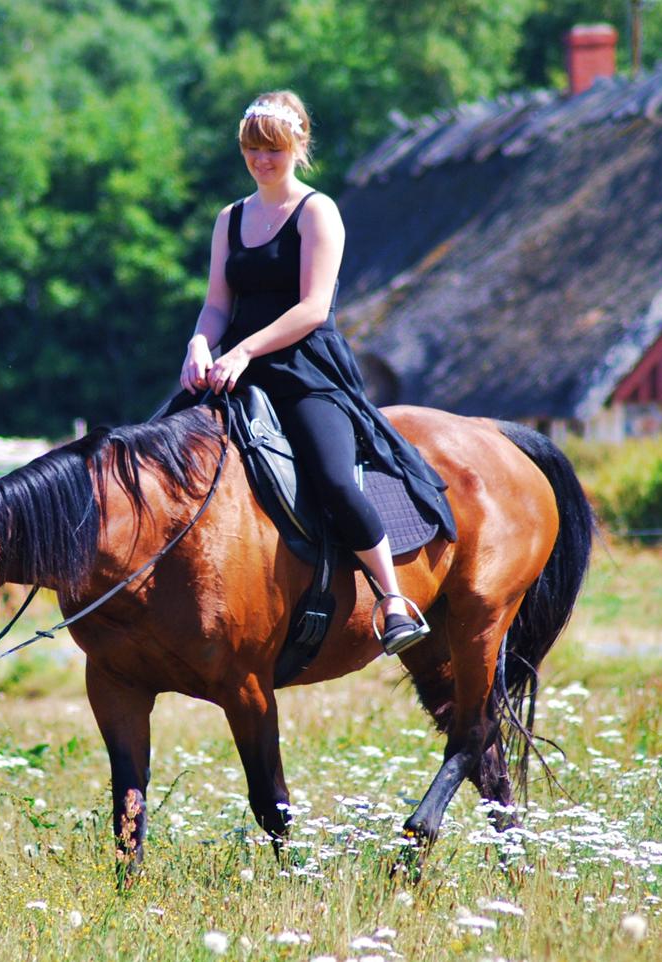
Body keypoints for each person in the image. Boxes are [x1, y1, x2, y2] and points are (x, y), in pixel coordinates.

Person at [178, 90, 455, 656]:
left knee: (330, 477)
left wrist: (242, 351)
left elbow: (311, 308)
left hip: (305, 368)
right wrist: (200, 345)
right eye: (252, 148)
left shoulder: (316, 210)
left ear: (299, 145)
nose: (262, 160)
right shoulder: (229, 219)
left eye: (273, 148)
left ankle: (392, 598)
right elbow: (216, 305)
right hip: (234, 367)